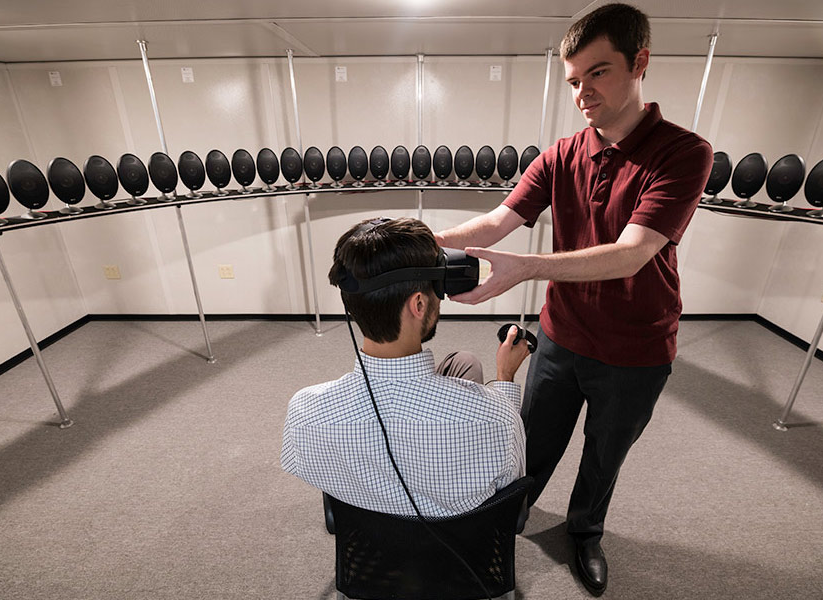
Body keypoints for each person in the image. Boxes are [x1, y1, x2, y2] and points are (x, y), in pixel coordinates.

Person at [434, 3, 713, 596]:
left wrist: (526, 270)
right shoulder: (562, 153)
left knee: (603, 457)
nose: (583, 92)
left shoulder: (684, 152)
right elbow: (498, 221)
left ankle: (585, 532)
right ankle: (508, 516)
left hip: (636, 347)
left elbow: (631, 252)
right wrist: (421, 240)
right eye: (574, 80)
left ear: (640, 62)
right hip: (562, 334)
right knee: (531, 442)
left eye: (599, 73)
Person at [281, 217, 531, 517]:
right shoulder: (497, 417)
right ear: (419, 305)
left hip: (370, 551)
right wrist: (504, 377)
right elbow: (509, 495)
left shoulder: (303, 411)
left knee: (463, 363)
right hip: (457, 551)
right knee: (467, 368)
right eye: (436, 290)